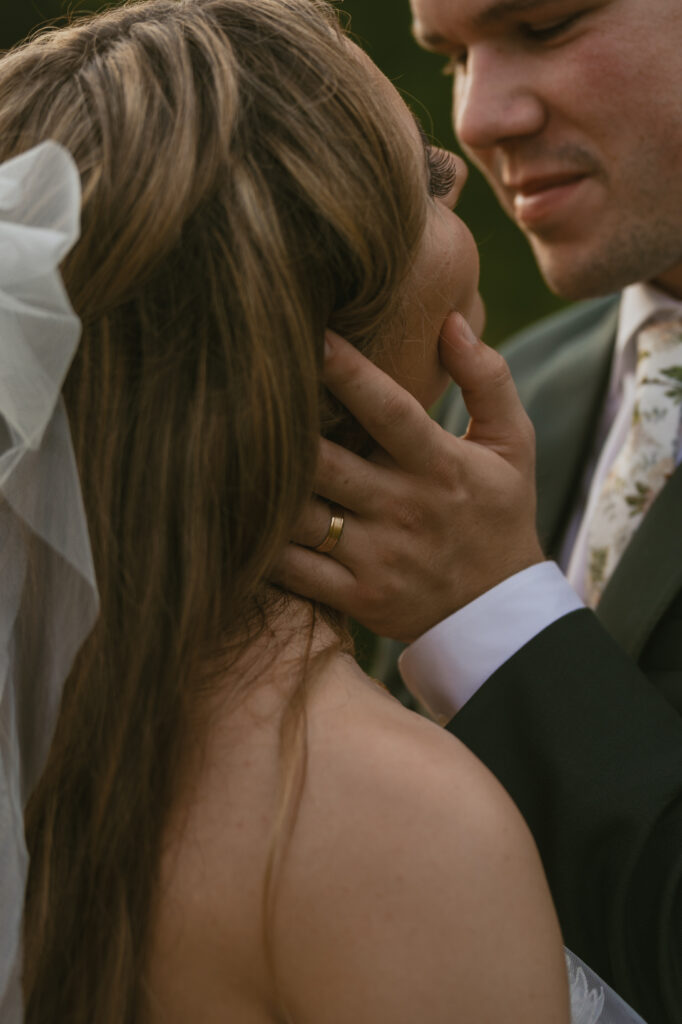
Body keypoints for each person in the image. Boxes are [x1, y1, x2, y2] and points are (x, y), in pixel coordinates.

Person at [0, 1, 604, 1022]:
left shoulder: (52, 740)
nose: (461, 162)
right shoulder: (392, 822)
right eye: (420, 180)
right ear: (311, 318)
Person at [276, 1, 682, 1022]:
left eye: (545, 25)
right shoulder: (492, 401)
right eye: (451, 57)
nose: (479, 115)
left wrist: (494, 613)